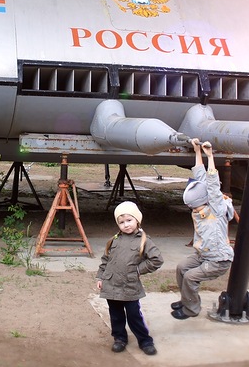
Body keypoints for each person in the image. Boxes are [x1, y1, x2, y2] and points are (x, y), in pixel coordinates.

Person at [171, 138, 235, 320]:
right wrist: (197, 151)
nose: (194, 211)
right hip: (202, 255)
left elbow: (212, 185)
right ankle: (187, 300)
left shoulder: (216, 209)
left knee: (190, 277)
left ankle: (191, 309)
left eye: (195, 207)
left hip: (218, 260)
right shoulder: (200, 205)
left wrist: (210, 156)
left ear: (205, 202)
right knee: (181, 268)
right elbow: (200, 177)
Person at [96, 200, 163, 355]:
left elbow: (156, 260)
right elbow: (106, 260)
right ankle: (119, 338)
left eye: (129, 220)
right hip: (111, 285)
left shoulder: (144, 240)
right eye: (121, 222)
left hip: (130, 286)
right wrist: (100, 277)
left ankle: (145, 341)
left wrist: (138, 270)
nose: (126, 225)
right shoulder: (114, 240)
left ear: (137, 220)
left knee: (134, 315)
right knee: (116, 315)